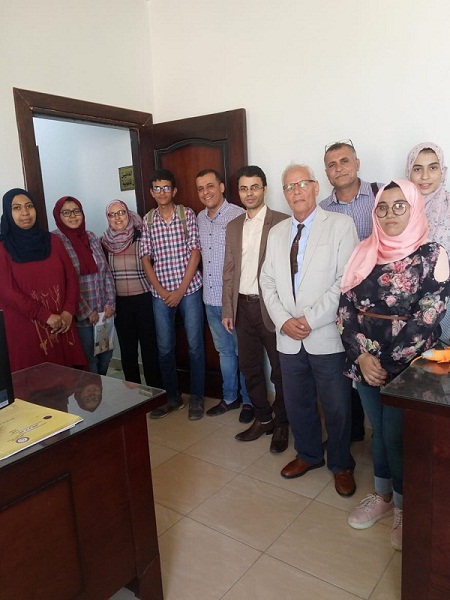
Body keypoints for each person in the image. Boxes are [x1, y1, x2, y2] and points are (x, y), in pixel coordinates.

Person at [337, 179, 450, 550]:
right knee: (380, 433)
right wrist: (362, 356)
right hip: (366, 363)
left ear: (414, 208)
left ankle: (404, 506)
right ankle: (383, 496)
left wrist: (384, 362)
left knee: (397, 438)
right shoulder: (364, 250)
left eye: (400, 205)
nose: (390, 214)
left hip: (410, 369)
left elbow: (429, 316)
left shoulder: (432, 254)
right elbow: (345, 309)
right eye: (382, 207)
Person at [260, 164, 359, 496]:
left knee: (337, 405)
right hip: (288, 337)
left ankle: (341, 463)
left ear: (316, 187)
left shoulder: (340, 226)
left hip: (325, 334)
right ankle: (308, 454)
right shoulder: (277, 232)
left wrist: (310, 319)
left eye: (302, 184)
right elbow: (267, 281)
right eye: (289, 187)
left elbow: (345, 281)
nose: (296, 191)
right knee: (297, 401)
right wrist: (283, 320)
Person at [222, 165, 290, 453]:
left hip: (271, 308)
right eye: (244, 188)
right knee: (249, 367)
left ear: (264, 189)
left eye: (254, 187)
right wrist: (228, 309)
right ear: (238, 192)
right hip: (242, 307)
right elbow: (229, 270)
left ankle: (283, 422)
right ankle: (263, 418)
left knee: (280, 370)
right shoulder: (233, 226)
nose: (249, 193)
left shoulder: (282, 222)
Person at [320, 139, 383, 442]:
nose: (339, 168)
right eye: (332, 164)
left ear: (357, 163)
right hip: (341, 300)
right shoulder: (322, 210)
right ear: (326, 173)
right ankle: (353, 432)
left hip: (380, 304)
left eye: (344, 161)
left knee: (379, 365)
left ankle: (385, 435)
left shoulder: (380, 196)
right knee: (346, 363)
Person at [140, 168, 205, 420]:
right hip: (161, 294)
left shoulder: (186, 214)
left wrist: (180, 290)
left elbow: (195, 253)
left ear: (174, 190)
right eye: (157, 188)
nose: (162, 192)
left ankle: (197, 398)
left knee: (195, 346)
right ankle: (173, 398)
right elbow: (145, 259)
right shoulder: (147, 220)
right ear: (151, 192)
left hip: (189, 290)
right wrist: (162, 291)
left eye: (166, 187)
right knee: (165, 348)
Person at [0, 188, 86, 372]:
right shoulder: (2, 248)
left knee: (67, 381)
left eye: (29, 206)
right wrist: (45, 315)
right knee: (36, 382)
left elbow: (71, 277)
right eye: (17, 208)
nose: (25, 212)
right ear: (7, 212)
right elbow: (7, 292)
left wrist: (68, 312)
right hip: (27, 331)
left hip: (61, 325)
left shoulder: (53, 241)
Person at [196, 169, 253, 421]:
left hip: (235, 299)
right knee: (225, 352)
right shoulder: (199, 218)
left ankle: (250, 402)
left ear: (221, 187)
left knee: (244, 352)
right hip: (210, 299)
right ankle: (230, 397)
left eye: (210, 186)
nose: (205, 192)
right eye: (200, 188)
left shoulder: (239, 215)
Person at [53, 196, 115, 375]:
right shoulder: (56, 241)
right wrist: (87, 312)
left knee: (105, 356)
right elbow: (65, 281)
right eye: (66, 212)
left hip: (103, 313)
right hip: (81, 317)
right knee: (89, 362)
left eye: (76, 211)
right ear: (58, 216)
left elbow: (105, 271)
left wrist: (110, 303)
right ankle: (94, 394)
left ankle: (102, 390)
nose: (73, 216)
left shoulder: (91, 237)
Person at [102, 200, 161, 387]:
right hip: (120, 303)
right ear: (108, 218)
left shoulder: (141, 236)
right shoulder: (103, 242)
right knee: (128, 351)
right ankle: (134, 396)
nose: (117, 217)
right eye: (112, 214)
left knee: (150, 349)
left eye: (121, 212)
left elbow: (155, 265)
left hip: (144, 300)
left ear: (128, 214)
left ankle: (154, 393)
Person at [406, 142, 450, 344]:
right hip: (407, 307)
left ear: (443, 171)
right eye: (417, 169)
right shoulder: (399, 210)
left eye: (432, 167)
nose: (425, 176)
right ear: (408, 172)